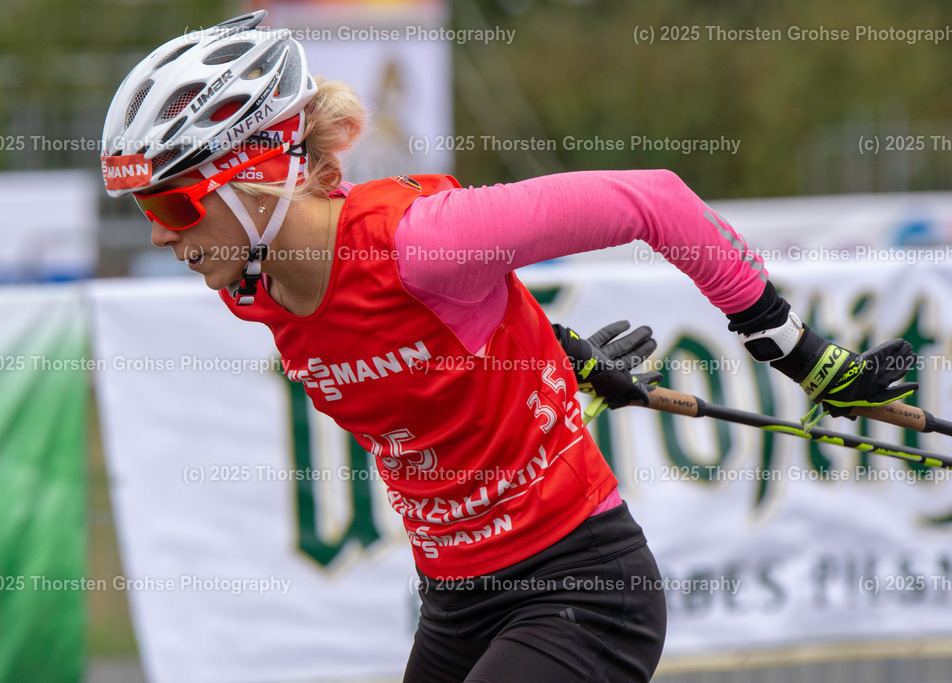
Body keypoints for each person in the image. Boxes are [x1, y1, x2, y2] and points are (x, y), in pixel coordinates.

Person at [100, 12, 919, 682]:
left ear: (260, 176)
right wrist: (547, 353)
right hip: (456, 599)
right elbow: (435, 336)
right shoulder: (257, 287)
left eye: (173, 206)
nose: (161, 235)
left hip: (579, 587)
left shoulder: (423, 242)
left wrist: (799, 352)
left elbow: (655, 199)